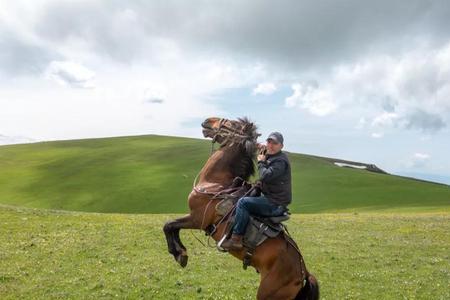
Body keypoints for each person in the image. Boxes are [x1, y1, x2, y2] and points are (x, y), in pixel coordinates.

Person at [221, 131, 292, 251]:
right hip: (271, 198)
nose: (271, 145)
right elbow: (264, 151)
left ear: (281, 146)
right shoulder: (273, 155)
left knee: (243, 203)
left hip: (275, 203)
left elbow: (266, 175)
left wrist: (260, 162)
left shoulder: (280, 161)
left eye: (275, 143)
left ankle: (236, 240)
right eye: (269, 142)